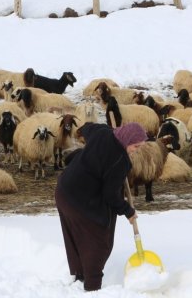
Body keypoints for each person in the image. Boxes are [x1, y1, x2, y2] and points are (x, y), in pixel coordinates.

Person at [54, 122, 146, 291]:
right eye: (136, 146)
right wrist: (128, 211)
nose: (136, 150)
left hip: (64, 191)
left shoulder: (103, 131)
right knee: (98, 240)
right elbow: (110, 195)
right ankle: (92, 288)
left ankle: (80, 277)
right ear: (127, 140)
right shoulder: (120, 160)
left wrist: (82, 133)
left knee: (76, 234)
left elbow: (88, 127)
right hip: (79, 200)